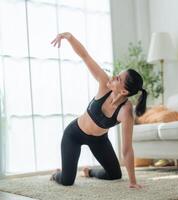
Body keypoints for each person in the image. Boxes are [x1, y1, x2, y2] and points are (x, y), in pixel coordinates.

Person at [49, 32, 147, 189]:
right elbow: (86, 56)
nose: (113, 77)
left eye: (118, 79)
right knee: (67, 181)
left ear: (124, 92)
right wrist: (69, 37)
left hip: (98, 140)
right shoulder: (104, 83)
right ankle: (56, 174)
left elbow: (127, 149)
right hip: (74, 134)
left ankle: (90, 172)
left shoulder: (125, 112)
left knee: (115, 174)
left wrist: (133, 181)